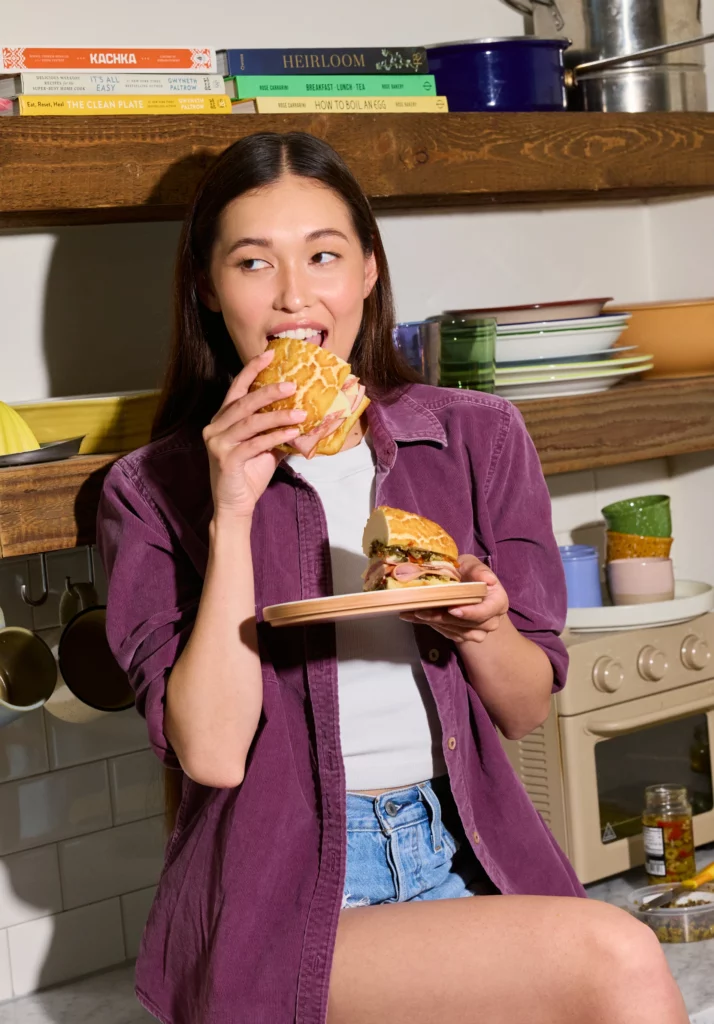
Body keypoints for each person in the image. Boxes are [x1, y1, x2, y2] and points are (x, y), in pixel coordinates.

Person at [96, 131, 688, 1024]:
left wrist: (482, 625)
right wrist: (231, 511)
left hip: (466, 849)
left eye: (324, 256)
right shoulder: (150, 490)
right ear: (208, 290)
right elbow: (212, 755)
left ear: (368, 272)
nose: (295, 295)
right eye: (254, 263)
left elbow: (524, 707)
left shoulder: (477, 438)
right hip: (279, 898)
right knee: (616, 955)